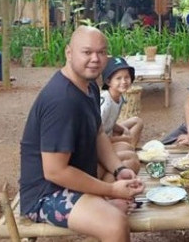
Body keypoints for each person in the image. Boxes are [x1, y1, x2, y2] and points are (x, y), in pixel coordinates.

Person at [19, 26, 144, 241]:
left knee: (128, 165)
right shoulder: (61, 100)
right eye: (87, 52)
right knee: (115, 224)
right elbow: (55, 172)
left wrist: (118, 169)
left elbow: (98, 134)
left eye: (101, 52)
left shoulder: (90, 86)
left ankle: (104, 202)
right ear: (69, 53)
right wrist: (112, 190)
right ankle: (104, 204)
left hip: (73, 176)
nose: (95, 59)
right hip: (47, 193)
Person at [98, 56, 143, 181]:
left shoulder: (120, 98)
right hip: (101, 142)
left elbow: (110, 122)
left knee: (137, 121)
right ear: (108, 82)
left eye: (127, 77)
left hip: (108, 133)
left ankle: (127, 150)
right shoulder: (105, 102)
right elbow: (96, 133)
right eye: (118, 78)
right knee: (126, 146)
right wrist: (122, 138)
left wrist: (122, 128)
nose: (124, 81)